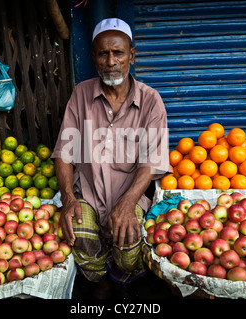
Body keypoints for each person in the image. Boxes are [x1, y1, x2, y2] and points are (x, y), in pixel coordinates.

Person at [51, 18, 170, 298]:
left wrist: (128, 203)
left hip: (130, 195)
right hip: (89, 195)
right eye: (103, 54)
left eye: (118, 53)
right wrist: (68, 199)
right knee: (77, 231)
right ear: (93, 57)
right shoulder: (81, 94)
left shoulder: (151, 100)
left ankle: (122, 277)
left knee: (130, 245)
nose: (111, 61)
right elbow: (64, 154)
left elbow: (151, 161)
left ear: (131, 55)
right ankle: (99, 279)